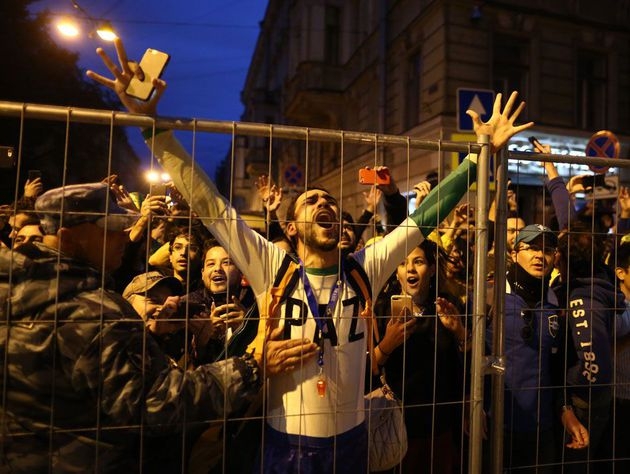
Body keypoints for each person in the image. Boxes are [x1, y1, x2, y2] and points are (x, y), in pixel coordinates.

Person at [87, 37, 533, 472]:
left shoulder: (366, 267)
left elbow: (426, 218)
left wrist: (478, 159)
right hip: (285, 446)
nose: (325, 205)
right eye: (311, 202)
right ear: (293, 226)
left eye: (330, 202)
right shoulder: (272, 265)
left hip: (353, 443)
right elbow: (207, 202)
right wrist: (150, 125)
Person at [0, 182, 272, 473]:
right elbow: (155, 404)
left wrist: (149, 337)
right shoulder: (95, 311)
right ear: (68, 238)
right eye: (112, 228)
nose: (124, 237)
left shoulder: (13, 290)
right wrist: (251, 367)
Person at [487, 224, 588, 473]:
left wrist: (565, 409)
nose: (540, 255)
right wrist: (472, 404)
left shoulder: (557, 304)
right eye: (532, 247)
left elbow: (558, 367)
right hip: (494, 426)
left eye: (547, 250)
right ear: (513, 253)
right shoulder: (489, 297)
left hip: (542, 430)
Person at [374, 240, 469, 473]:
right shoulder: (381, 310)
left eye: (419, 261)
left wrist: (459, 331)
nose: (410, 269)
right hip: (394, 427)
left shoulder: (447, 306)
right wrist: (388, 344)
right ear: (396, 273)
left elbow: (464, 365)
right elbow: (367, 369)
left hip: (440, 425)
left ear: (433, 269)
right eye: (403, 263)